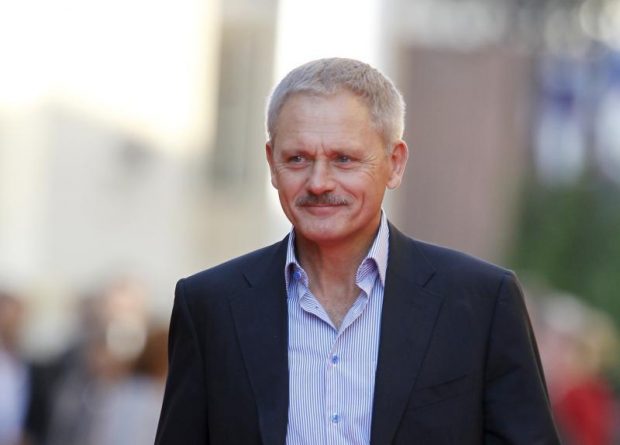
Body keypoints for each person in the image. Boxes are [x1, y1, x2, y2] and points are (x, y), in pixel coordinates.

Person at [155, 58, 560, 444]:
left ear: (395, 163)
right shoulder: (210, 306)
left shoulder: (480, 303)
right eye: (297, 159)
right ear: (272, 163)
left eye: (344, 159)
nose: (319, 182)